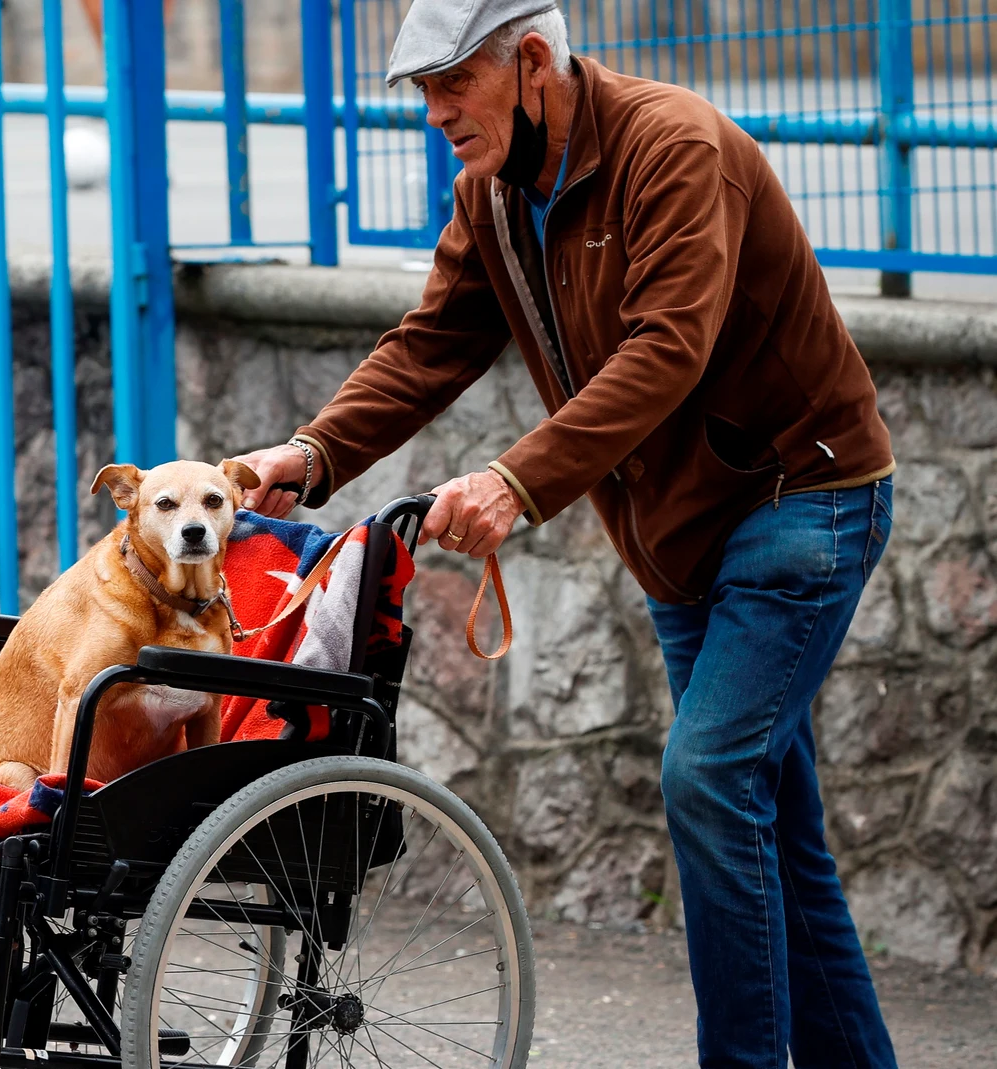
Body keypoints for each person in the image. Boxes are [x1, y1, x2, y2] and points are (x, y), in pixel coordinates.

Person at [234, 2, 900, 1066]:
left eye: (454, 83)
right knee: (769, 821)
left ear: (532, 61)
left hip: (799, 499)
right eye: (422, 91)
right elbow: (427, 348)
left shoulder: (674, 149)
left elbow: (666, 349)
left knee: (710, 781)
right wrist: (307, 456)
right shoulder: (491, 196)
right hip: (681, 534)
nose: (436, 112)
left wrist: (513, 479)